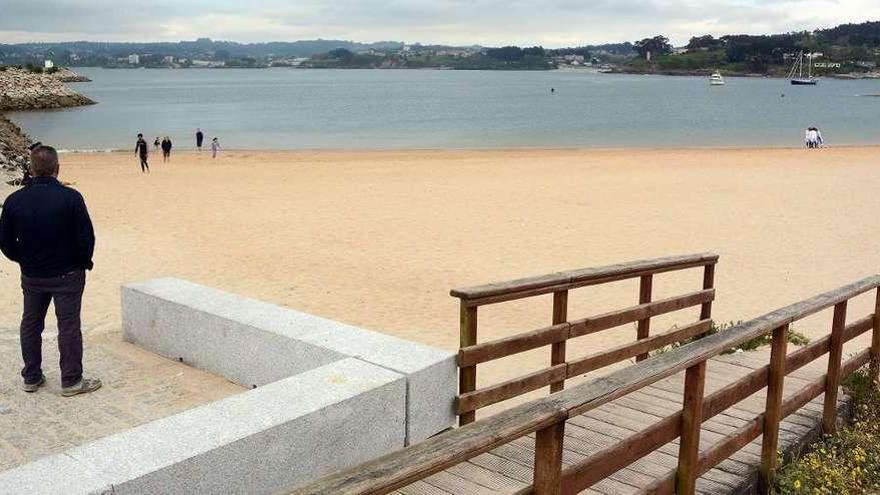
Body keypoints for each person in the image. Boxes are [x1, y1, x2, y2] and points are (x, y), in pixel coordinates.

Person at [0, 145, 101, 396]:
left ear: (31, 170)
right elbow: (86, 238)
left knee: (31, 324)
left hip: (33, 274)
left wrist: (23, 259)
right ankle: (71, 380)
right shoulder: (71, 197)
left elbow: (5, 242)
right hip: (66, 273)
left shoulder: (14, 200)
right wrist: (81, 263)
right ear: (57, 169)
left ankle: (32, 377)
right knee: (67, 326)